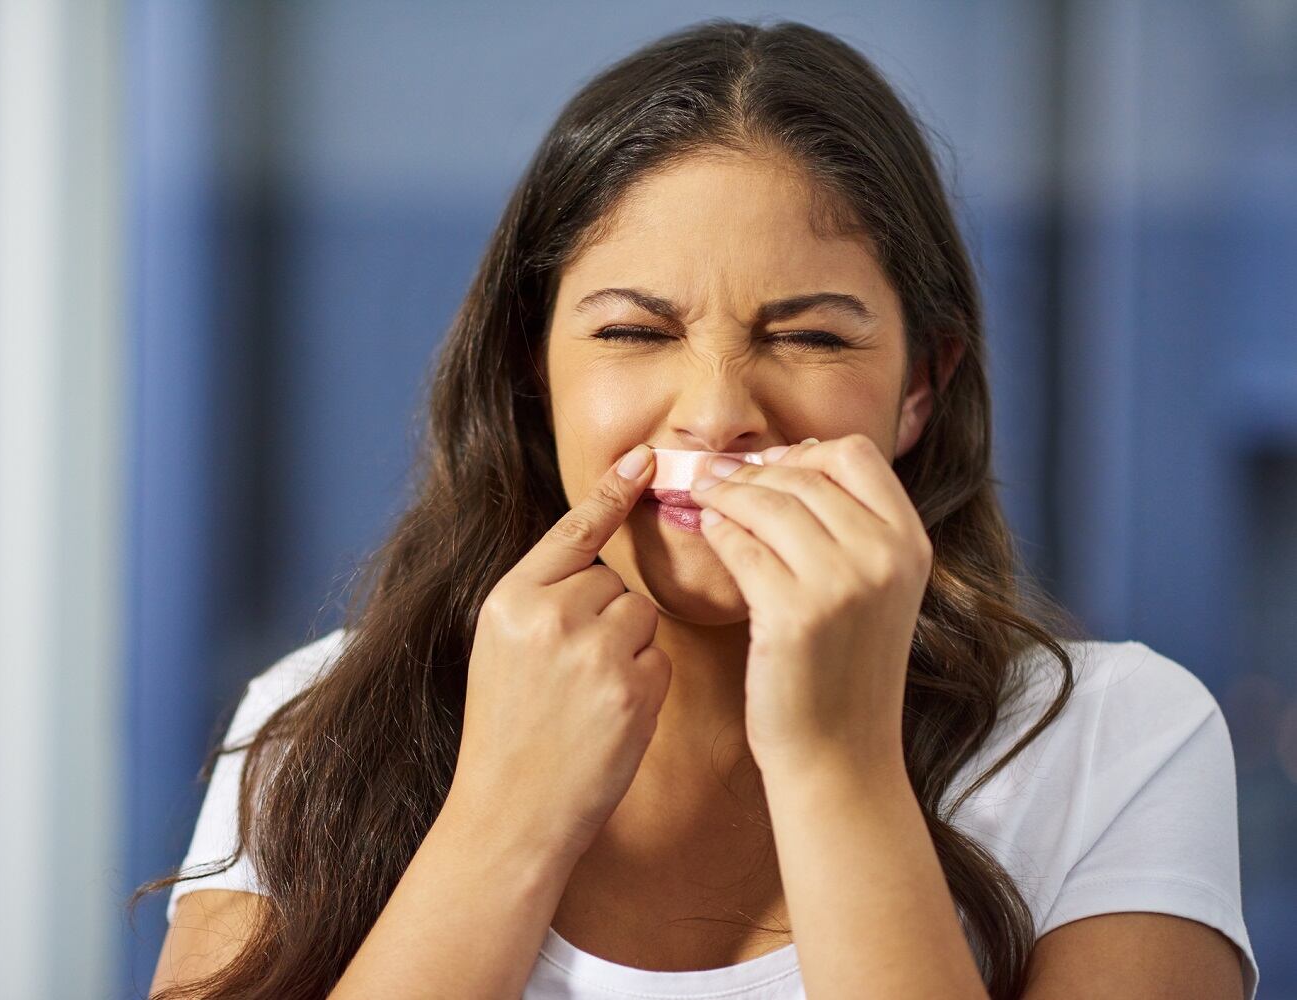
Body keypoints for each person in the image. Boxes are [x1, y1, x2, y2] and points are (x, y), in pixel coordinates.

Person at [136, 18, 1258, 1000]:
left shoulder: (1123, 741)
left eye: (812, 337)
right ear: (536, 370)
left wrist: (837, 759)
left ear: (922, 389)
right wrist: (500, 815)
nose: (718, 417)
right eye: (634, 331)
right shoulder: (317, 721)